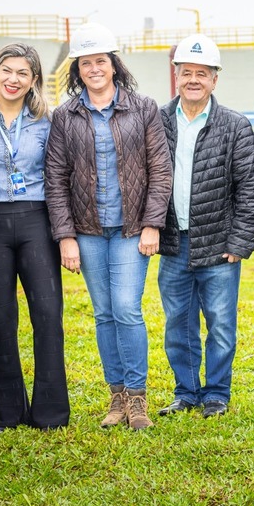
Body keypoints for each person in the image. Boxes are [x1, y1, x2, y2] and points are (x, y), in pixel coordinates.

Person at [45, 22, 172, 430]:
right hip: (88, 231)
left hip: (132, 229)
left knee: (127, 310)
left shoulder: (143, 107)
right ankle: (116, 398)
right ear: (77, 69)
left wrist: (153, 224)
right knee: (103, 314)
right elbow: (55, 179)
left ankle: (138, 399)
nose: (94, 68)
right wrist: (65, 236)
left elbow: (160, 170)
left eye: (101, 61)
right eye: (86, 63)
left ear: (113, 65)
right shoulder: (65, 116)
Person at [156, 34, 254, 419]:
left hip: (219, 244)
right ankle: (186, 392)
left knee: (220, 324)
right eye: (187, 73)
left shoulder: (234, 126)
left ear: (215, 79)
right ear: (177, 76)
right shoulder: (158, 121)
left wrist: (240, 241)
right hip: (173, 242)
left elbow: (250, 189)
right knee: (178, 323)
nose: (194, 80)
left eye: (202, 73)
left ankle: (217, 394)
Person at [0, 43, 69, 431]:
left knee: (48, 317)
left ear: (34, 80)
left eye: (23, 73)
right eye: (7, 71)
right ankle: (6, 414)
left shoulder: (47, 121)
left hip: (36, 220)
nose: (13, 80)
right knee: (0, 319)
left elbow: (60, 176)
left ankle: (50, 415)